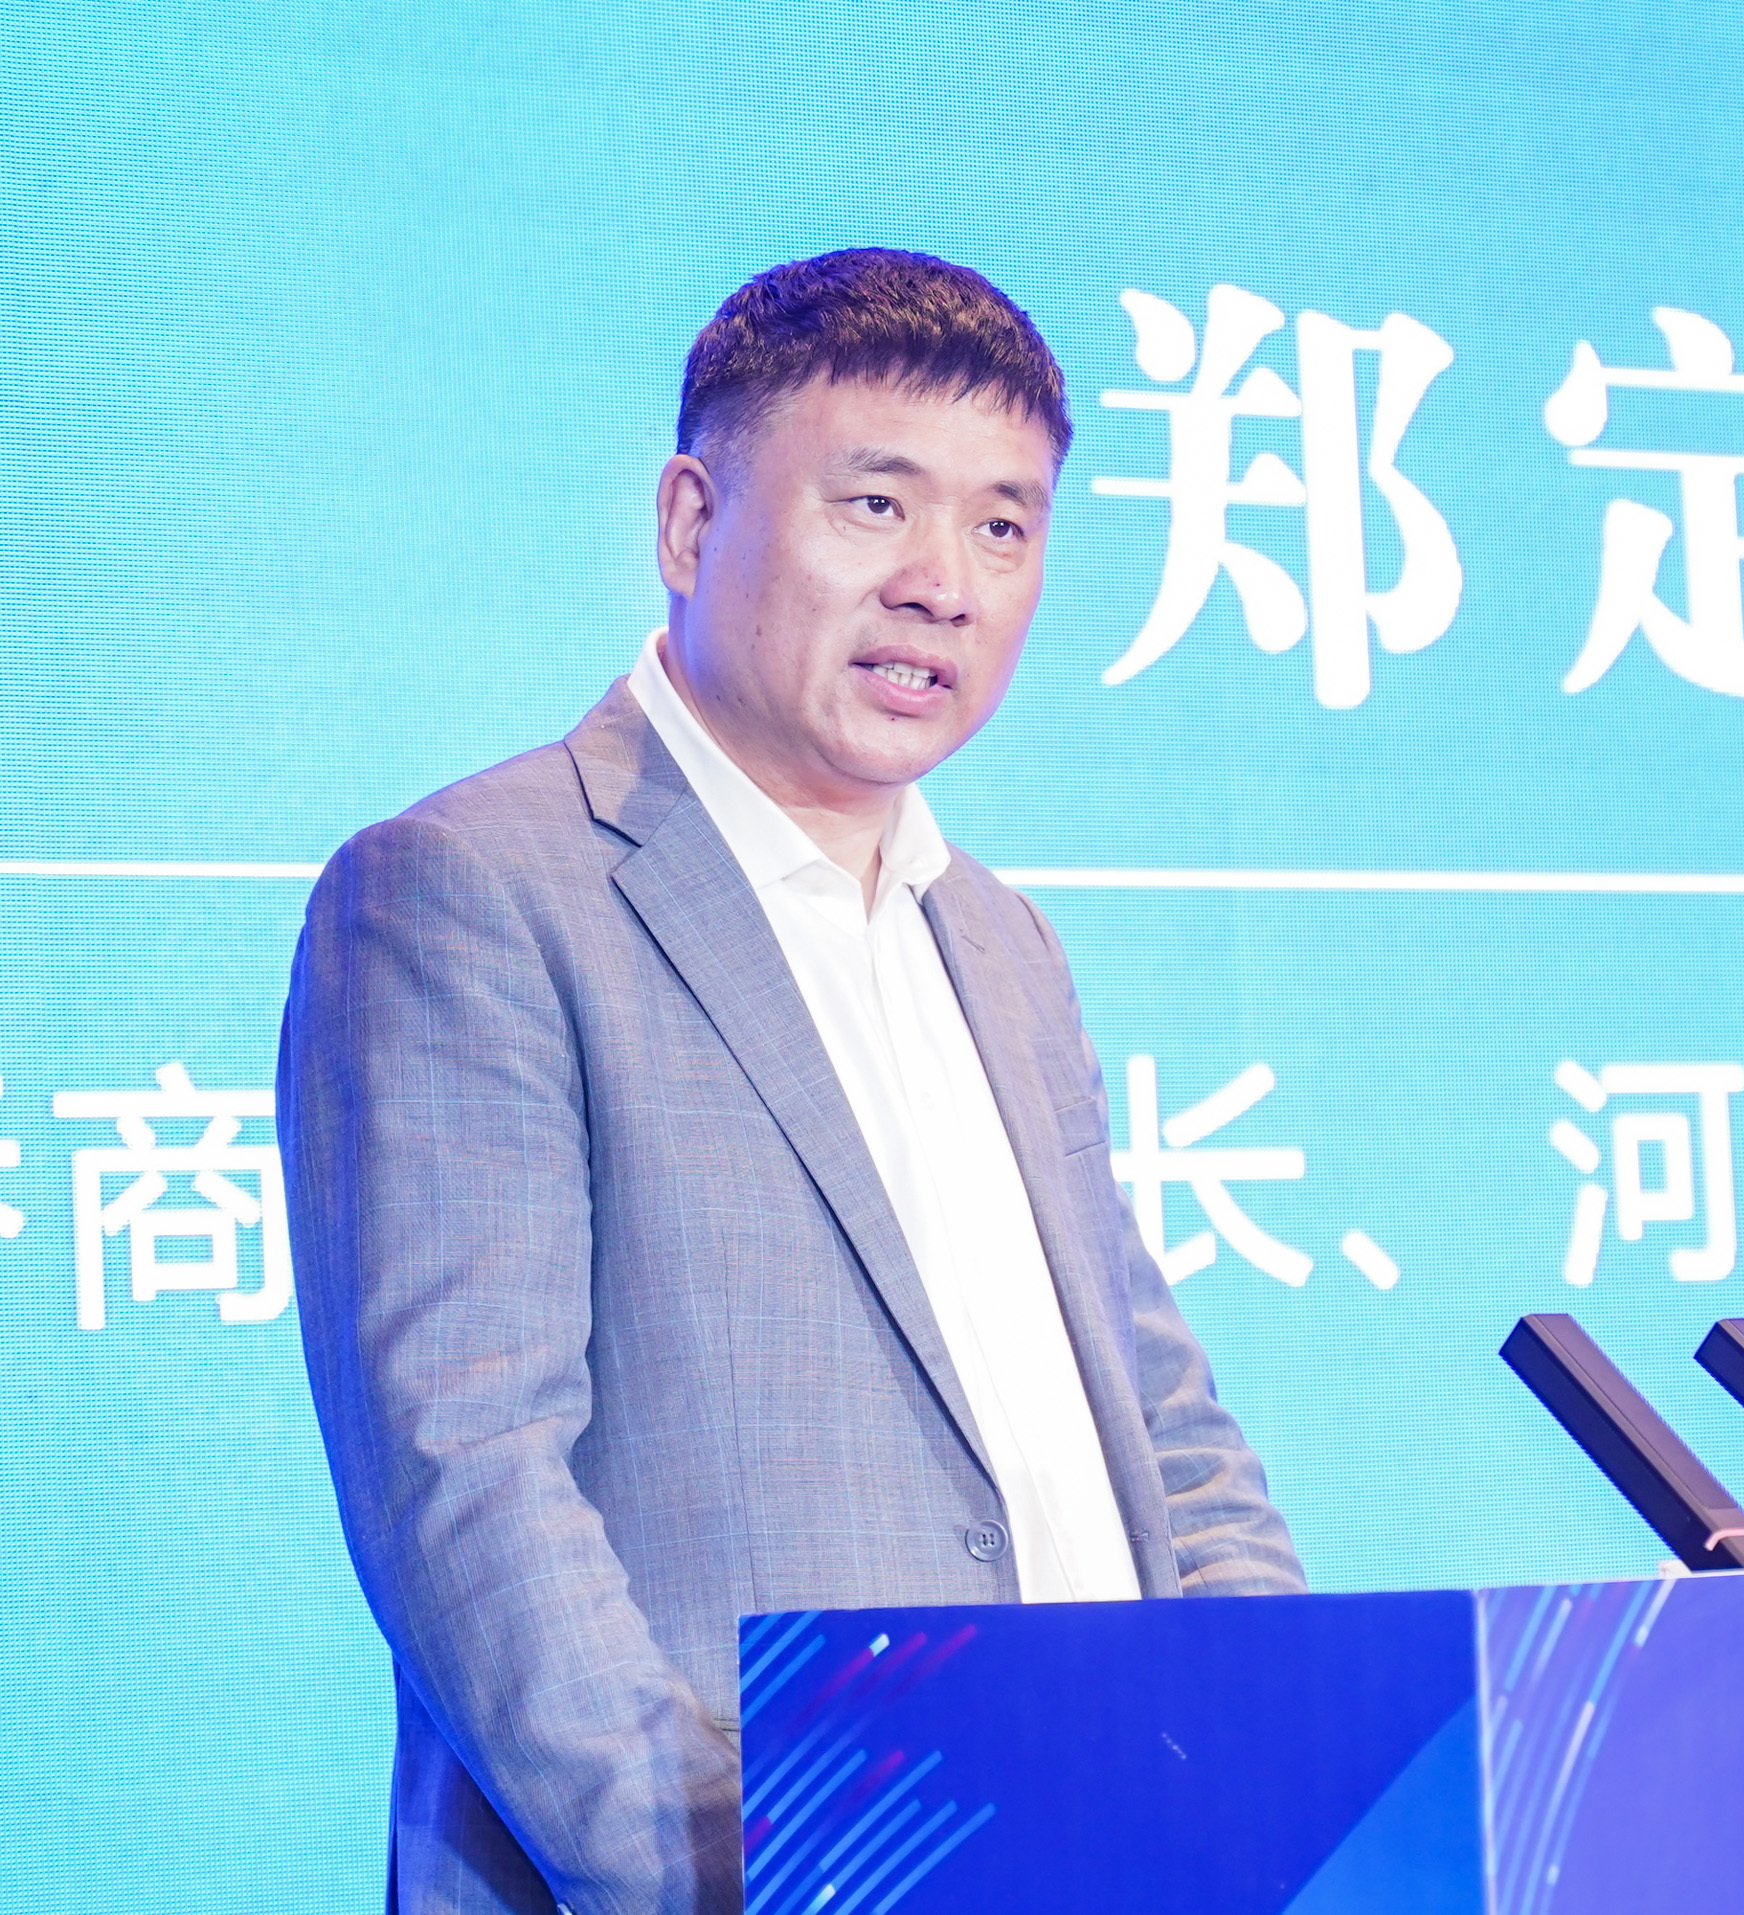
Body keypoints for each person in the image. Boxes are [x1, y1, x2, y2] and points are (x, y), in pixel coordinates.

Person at [279, 248, 1304, 1915]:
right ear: (692, 523)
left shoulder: (1003, 942)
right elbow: (465, 1482)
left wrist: (1289, 1767)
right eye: (877, 505)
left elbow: (1164, 1432)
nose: (944, 585)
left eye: (1005, 526)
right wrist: (754, 1886)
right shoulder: (476, 890)